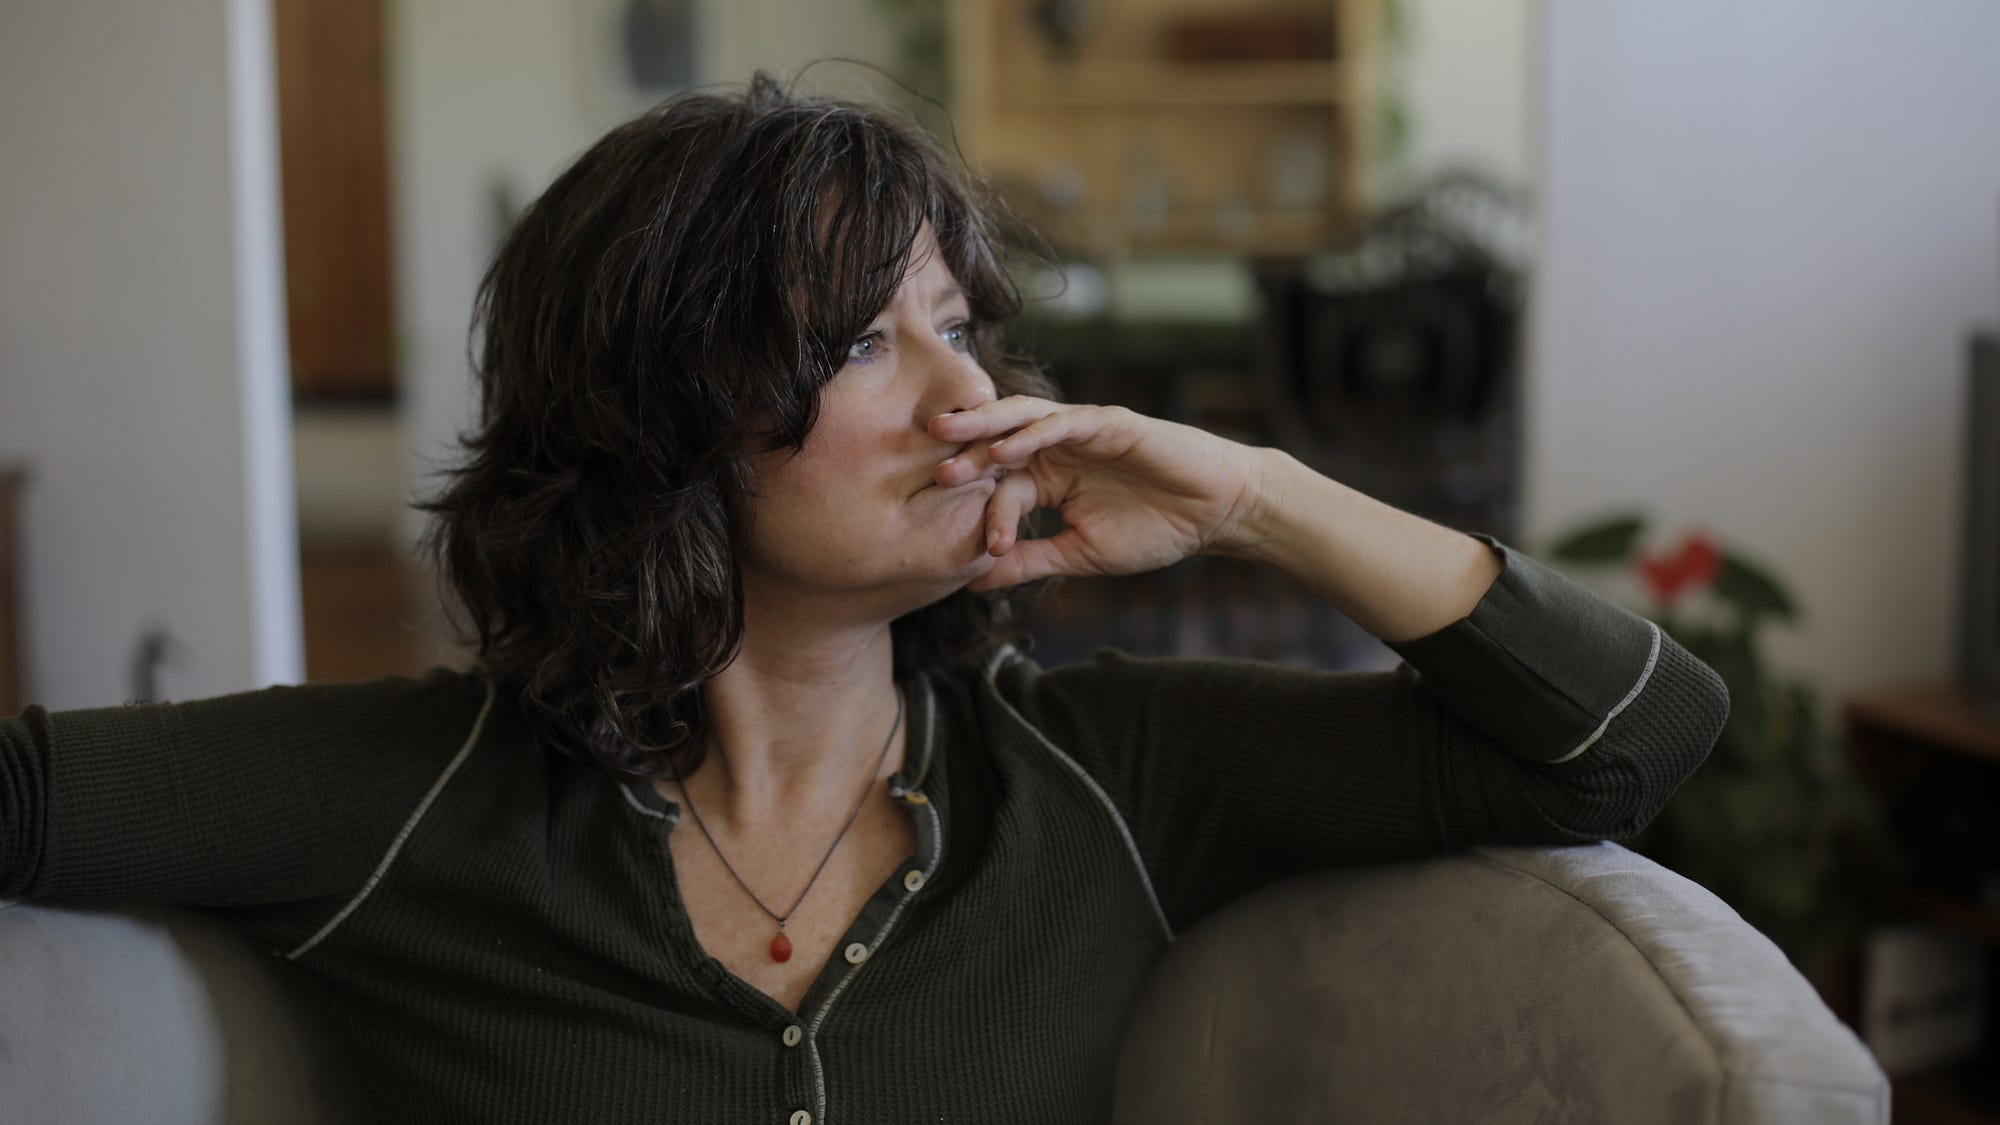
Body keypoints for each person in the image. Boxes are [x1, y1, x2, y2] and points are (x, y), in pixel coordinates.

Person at [0, 74, 1729, 1124]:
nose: (966, 395)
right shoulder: (416, 796)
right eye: (857, 345)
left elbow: (1627, 737)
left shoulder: (1103, 773)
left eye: (956, 326)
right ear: (663, 416)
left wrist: (1255, 497)